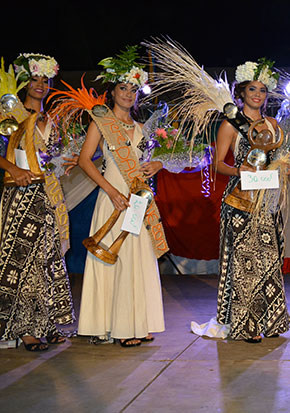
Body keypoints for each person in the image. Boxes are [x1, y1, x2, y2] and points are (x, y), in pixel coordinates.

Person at [77, 47, 165, 347]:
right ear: (112, 92)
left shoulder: (142, 128)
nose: (128, 94)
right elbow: (85, 161)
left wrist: (158, 164)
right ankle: (116, 326)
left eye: (133, 89)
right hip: (113, 198)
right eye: (123, 88)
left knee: (138, 259)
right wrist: (111, 190)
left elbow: (153, 160)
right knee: (117, 260)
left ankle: (139, 322)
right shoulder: (100, 123)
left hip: (138, 201)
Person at [0, 53, 74, 351]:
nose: (40, 85)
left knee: (49, 261)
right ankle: (25, 329)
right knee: (23, 264)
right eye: (34, 79)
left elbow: (53, 158)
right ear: (24, 82)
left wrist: (65, 162)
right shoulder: (9, 114)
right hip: (21, 197)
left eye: (45, 80)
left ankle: (48, 323)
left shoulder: (52, 120)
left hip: (50, 197)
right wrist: (13, 169)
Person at [214, 59, 290, 343]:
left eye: (262, 90)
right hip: (240, 201)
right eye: (252, 90)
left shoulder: (273, 124)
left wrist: (286, 165)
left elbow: (281, 161)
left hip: (267, 201)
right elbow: (217, 165)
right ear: (242, 93)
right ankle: (245, 325)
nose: (257, 95)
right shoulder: (231, 124)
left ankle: (270, 321)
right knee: (245, 263)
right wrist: (239, 170)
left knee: (269, 261)